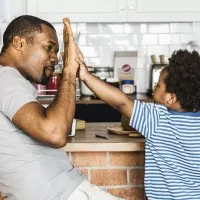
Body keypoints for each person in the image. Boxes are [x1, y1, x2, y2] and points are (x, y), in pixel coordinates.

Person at [0, 15, 124, 200]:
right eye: (48, 48)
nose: (54, 59)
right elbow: (55, 133)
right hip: (59, 193)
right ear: (19, 43)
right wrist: (69, 71)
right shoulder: (7, 79)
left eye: (56, 52)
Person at [76, 47, 200, 199]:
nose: (155, 85)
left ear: (171, 99)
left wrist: (86, 76)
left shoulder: (157, 119)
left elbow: (122, 103)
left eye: (159, 84)